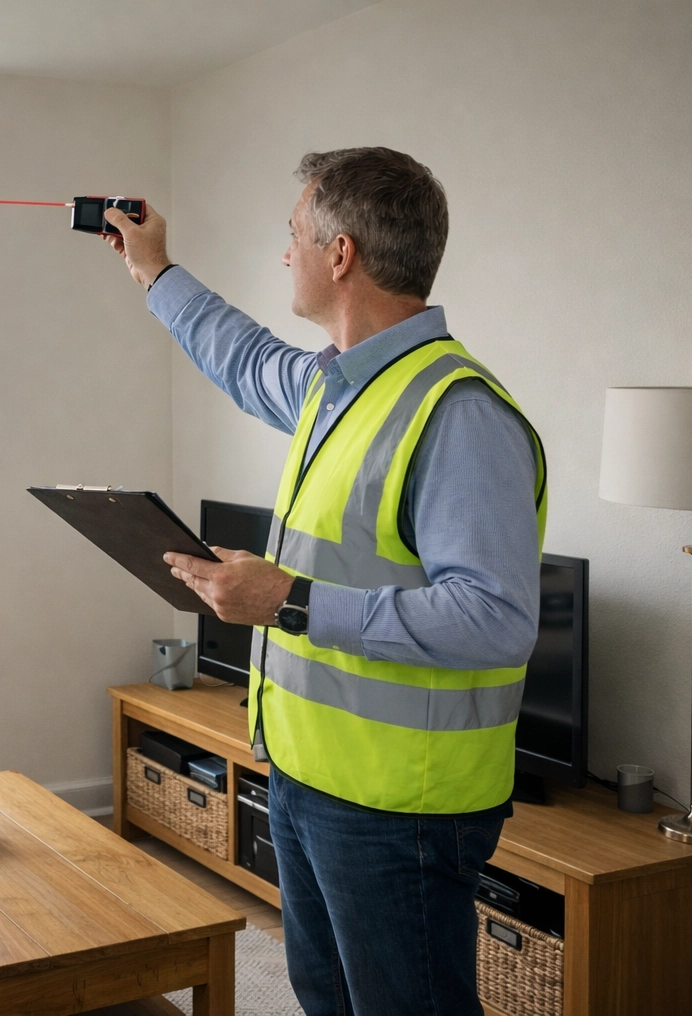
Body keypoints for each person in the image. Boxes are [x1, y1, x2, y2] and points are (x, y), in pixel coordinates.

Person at [102, 147, 546, 1016]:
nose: (284, 253)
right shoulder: (331, 388)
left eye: (293, 234)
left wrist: (288, 599)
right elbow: (238, 354)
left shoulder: (459, 413)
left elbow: (496, 619)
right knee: (326, 1000)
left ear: (340, 254)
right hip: (307, 776)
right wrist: (153, 269)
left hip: (400, 809)